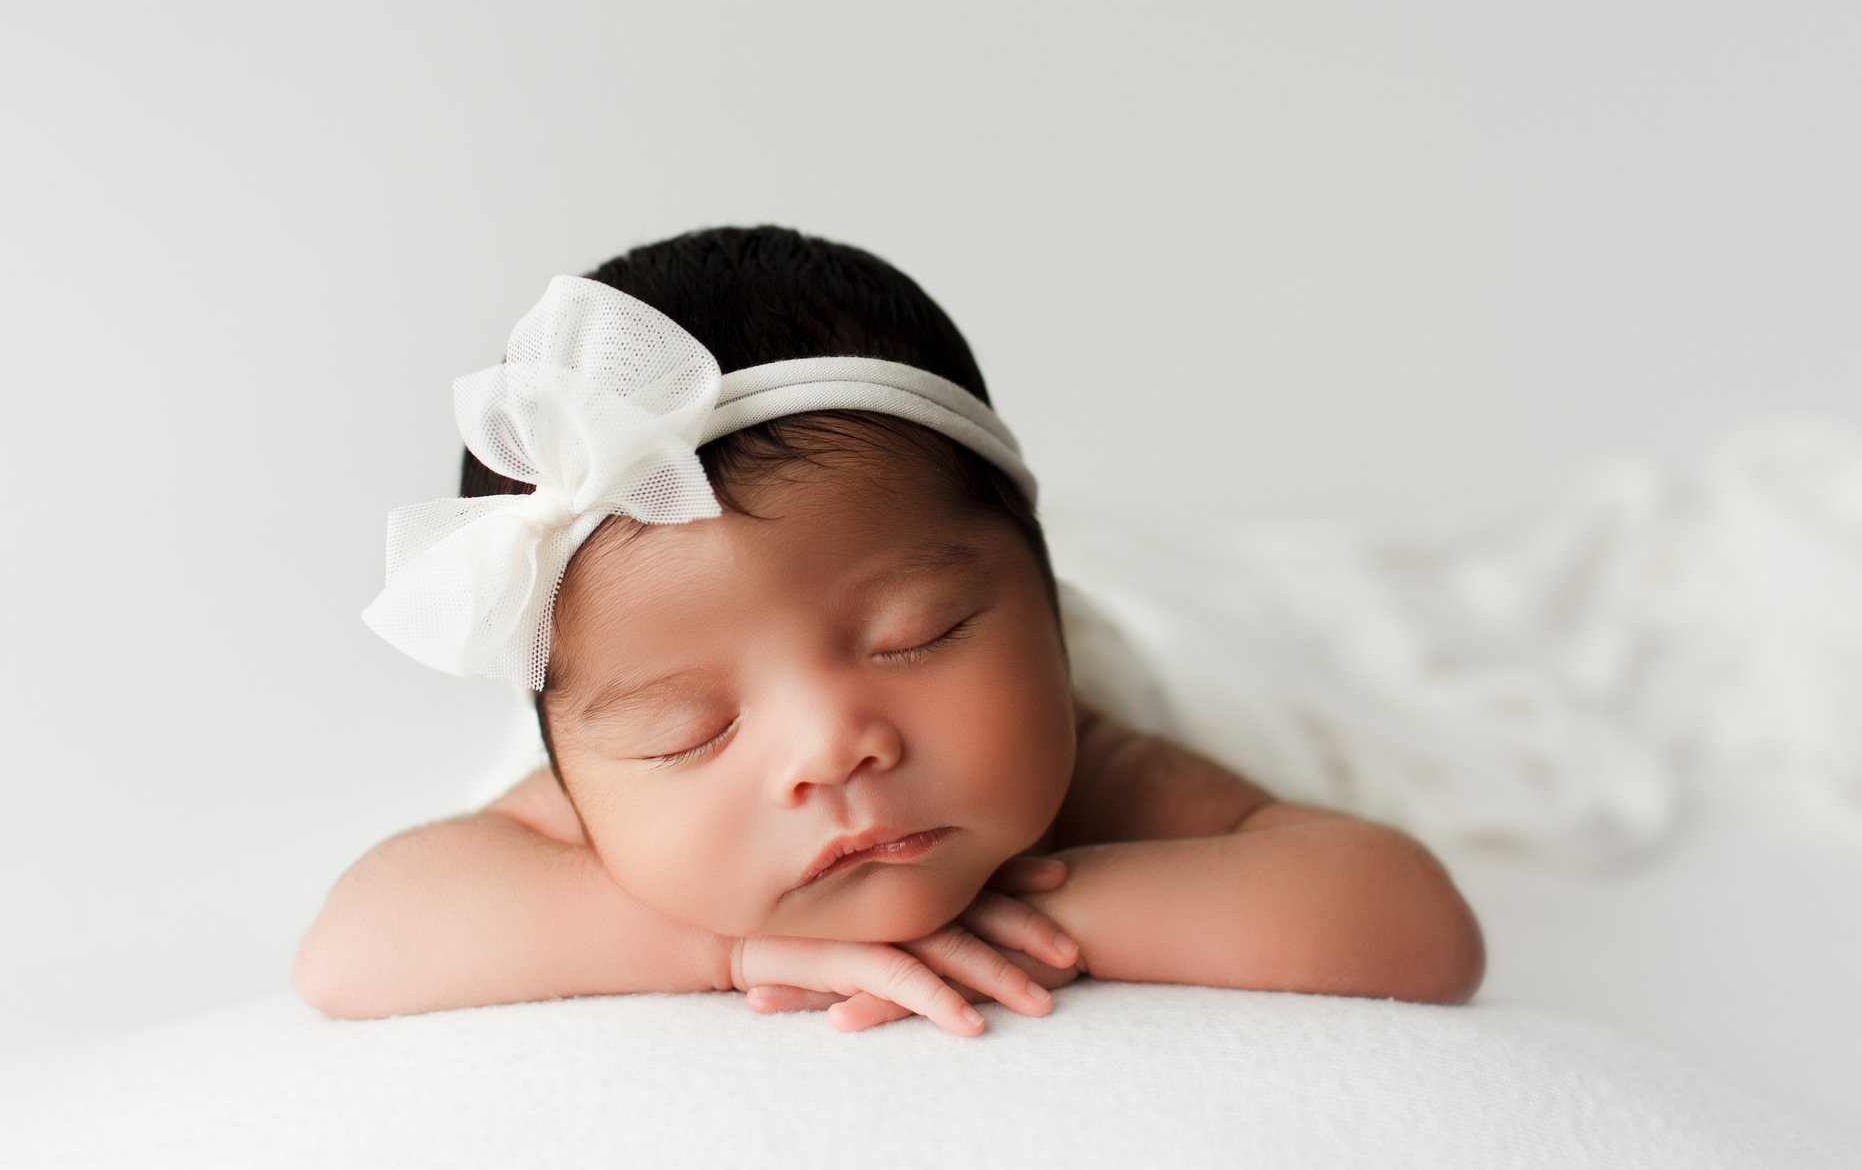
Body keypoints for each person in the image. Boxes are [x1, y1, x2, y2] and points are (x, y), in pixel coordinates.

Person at [293, 225, 1485, 1035]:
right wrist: (733, 948)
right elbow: (352, 949)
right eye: (686, 728)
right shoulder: (593, 817)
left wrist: (1034, 914)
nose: (831, 747)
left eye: (916, 635)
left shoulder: (1096, 754)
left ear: (1038, 598)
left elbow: (1413, 923)